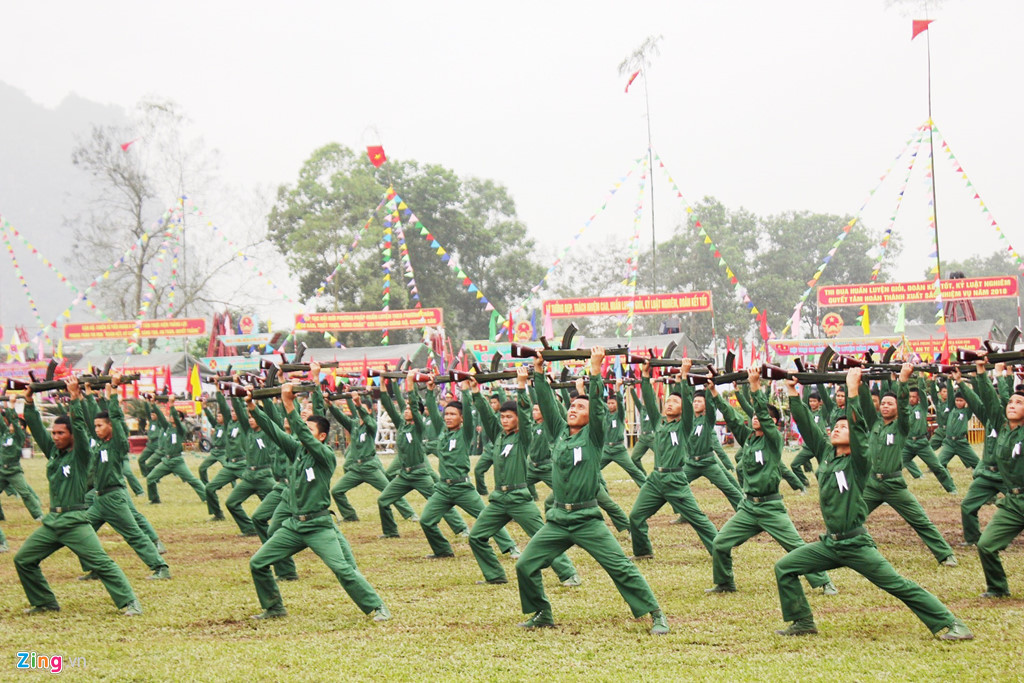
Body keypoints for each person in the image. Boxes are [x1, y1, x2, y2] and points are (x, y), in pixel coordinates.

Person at [773, 369, 973, 640]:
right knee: (784, 567)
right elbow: (808, 425)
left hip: (856, 545)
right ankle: (803, 621)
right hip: (830, 544)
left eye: (843, 427)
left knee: (898, 585)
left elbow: (857, 428)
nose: (837, 429)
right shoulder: (827, 454)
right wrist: (793, 392)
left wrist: (853, 390)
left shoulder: (859, 461)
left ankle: (952, 623)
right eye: (836, 426)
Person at [515, 348, 670, 635]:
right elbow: (548, 404)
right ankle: (542, 612)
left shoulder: (594, 436)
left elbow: (598, 407)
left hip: (587, 519)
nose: (574, 409)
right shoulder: (558, 432)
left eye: (581, 408)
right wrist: (537, 372)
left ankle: (656, 613)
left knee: (621, 567)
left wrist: (595, 372)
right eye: (572, 406)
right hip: (558, 519)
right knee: (525, 564)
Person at [248, 383, 390, 621]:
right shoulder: (297, 451)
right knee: (257, 563)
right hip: (293, 526)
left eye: (308, 428)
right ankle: (274, 607)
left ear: (322, 436)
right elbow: (274, 431)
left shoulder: (324, 456)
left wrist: (289, 405)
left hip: (318, 525)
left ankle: (377, 607)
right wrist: (253, 407)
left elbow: (301, 433)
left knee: (343, 569)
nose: (302, 430)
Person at [13, 376, 142, 615]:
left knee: (101, 563)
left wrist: (74, 398)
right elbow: (37, 428)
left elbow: (81, 429)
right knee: (23, 559)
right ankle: (44, 602)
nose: (55, 436)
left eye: (61, 433)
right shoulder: (54, 453)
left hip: (75, 521)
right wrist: (29, 402)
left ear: (71, 436)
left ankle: (130, 602)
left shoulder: (81, 455)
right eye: (54, 433)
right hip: (52, 522)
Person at [705, 368, 836, 595]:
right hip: (748, 507)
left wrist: (755, 387)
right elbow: (731, 416)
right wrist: (715, 393)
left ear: (774, 423)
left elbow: (763, 416)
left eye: (763, 416)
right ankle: (725, 582)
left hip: (771, 507)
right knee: (720, 543)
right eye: (755, 415)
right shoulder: (747, 438)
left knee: (795, 546)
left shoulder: (773, 440)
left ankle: (825, 582)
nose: (757, 417)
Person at [467, 369, 581, 587]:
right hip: (499, 500)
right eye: (502, 417)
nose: (504, 420)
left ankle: (569, 574)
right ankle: (495, 575)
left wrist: (521, 386)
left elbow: (526, 414)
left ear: (518, 420)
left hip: (519, 498)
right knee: (476, 537)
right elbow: (485, 413)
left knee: (542, 538)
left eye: (509, 417)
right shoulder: (499, 435)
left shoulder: (524, 436)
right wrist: (475, 391)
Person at [858, 365, 957, 566]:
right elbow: (866, 403)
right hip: (872, 485)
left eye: (890, 404)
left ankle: (945, 554)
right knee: (851, 517)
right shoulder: (874, 423)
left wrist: (902, 381)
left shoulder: (902, 426)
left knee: (920, 520)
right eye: (883, 403)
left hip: (894, 484)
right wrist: (859, 382)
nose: (885, 406)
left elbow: (904, 407)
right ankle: (841, 548)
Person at [77, 376, 170, 581]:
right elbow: (94, 415)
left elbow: (117, 419)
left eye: (101, 426)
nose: (97, 429)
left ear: (110, 426)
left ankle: (161, 567)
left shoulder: (117, 444)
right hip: (99, 498)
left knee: (134, 535)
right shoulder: (100, 444)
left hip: (114, 498)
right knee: (82, 534)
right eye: (96, 426)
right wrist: (89, 394)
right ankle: (96, 569)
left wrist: (114, 392)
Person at [628, 359, 719, 561]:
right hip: (655, 481)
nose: (670, 404)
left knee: (698, 520)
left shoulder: (685, 425)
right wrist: (644, 375)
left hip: (675, 481)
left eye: (675, 402)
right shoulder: (658, 423)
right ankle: (643, 552)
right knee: (635, 517)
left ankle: (719, 550)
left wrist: (685, 378)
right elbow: (650, 402)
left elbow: (687, 404)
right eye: (668, 401)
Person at [418, 378, 519, 560]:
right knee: (426, 520)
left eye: (453, 414)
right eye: (446, 414)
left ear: (462, 418)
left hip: (462, 488)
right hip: (443, 488)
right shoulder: (442, 431)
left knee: (487, 518)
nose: (448, 417)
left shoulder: (465, 433)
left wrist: (465, 391)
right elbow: (433, 411)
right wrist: (430, 393)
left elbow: (470, 416)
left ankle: (510, 547)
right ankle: (442, 550)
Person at [959, 363, 1010, 547]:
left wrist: (1000, 375)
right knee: (967, 506)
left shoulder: (1006, 422)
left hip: (1007, 476)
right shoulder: (988, 418)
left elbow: (995, 399)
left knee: (1016, 509)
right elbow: (975, 401)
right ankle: (972, 538)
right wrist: (960, 382)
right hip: (987, 475)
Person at [901, 380, 957, 492]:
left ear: (919, 398)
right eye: (910, 396)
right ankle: (888, 491)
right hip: (907, 444)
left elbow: (922, 391)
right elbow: (899, 395)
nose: (911, 399)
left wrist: (921, 378)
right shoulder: (904, 409)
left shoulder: (922, 407)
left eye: (914, 397)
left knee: (937, 467)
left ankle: (951, 488)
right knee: (893, 467)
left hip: (922, 443)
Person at [144, 402, 207, 504]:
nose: (172, 417)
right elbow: (161, 416)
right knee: (151, 478)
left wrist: (172, 405)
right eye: (171, 416)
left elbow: (177, 421)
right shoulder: (167, 427)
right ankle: (154, 499)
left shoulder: (181, 429)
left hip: (177, 461)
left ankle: (207, 498)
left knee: (192, 480)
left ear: (180, 419)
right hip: (167, 461)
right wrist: (153, 404)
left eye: (175, 416)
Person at [0, 395, 43, 521]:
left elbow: (13, 421)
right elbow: (2, 422)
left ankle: (38, 515)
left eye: (18, 424)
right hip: (2, 470)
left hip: (14, 471)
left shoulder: (19, 436)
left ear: (22, 427)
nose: (13, 425)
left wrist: (12, 405)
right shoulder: (5, 434)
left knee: (25, 493)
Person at [599, 382, 647, 488]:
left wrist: (617, 388)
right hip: (606, 449)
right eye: (609, 403)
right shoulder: (605, 414)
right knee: (593, 468)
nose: (610, 405)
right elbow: (597, 401)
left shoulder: (620, 415)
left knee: (633, 470)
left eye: (613, 403)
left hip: (619, 449)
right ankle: (601, 487)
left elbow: (620, 403)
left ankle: (647, 488)